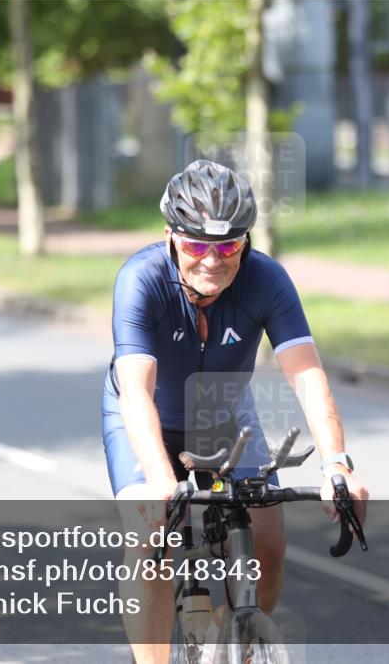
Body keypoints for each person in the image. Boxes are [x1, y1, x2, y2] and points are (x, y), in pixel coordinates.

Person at [102, 159, 369, 663]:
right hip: (144, 415)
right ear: (170, 236)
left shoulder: (266, 280)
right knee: (149, 540)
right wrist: (160, 479)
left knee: (267, 542)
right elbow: (136, 391)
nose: (213, 260)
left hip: (223, 413)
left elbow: (307, 376)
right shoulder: (141, 278)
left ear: (245, 242)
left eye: (227, 246)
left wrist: (337, 464)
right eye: (197, 245)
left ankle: (230, 638)